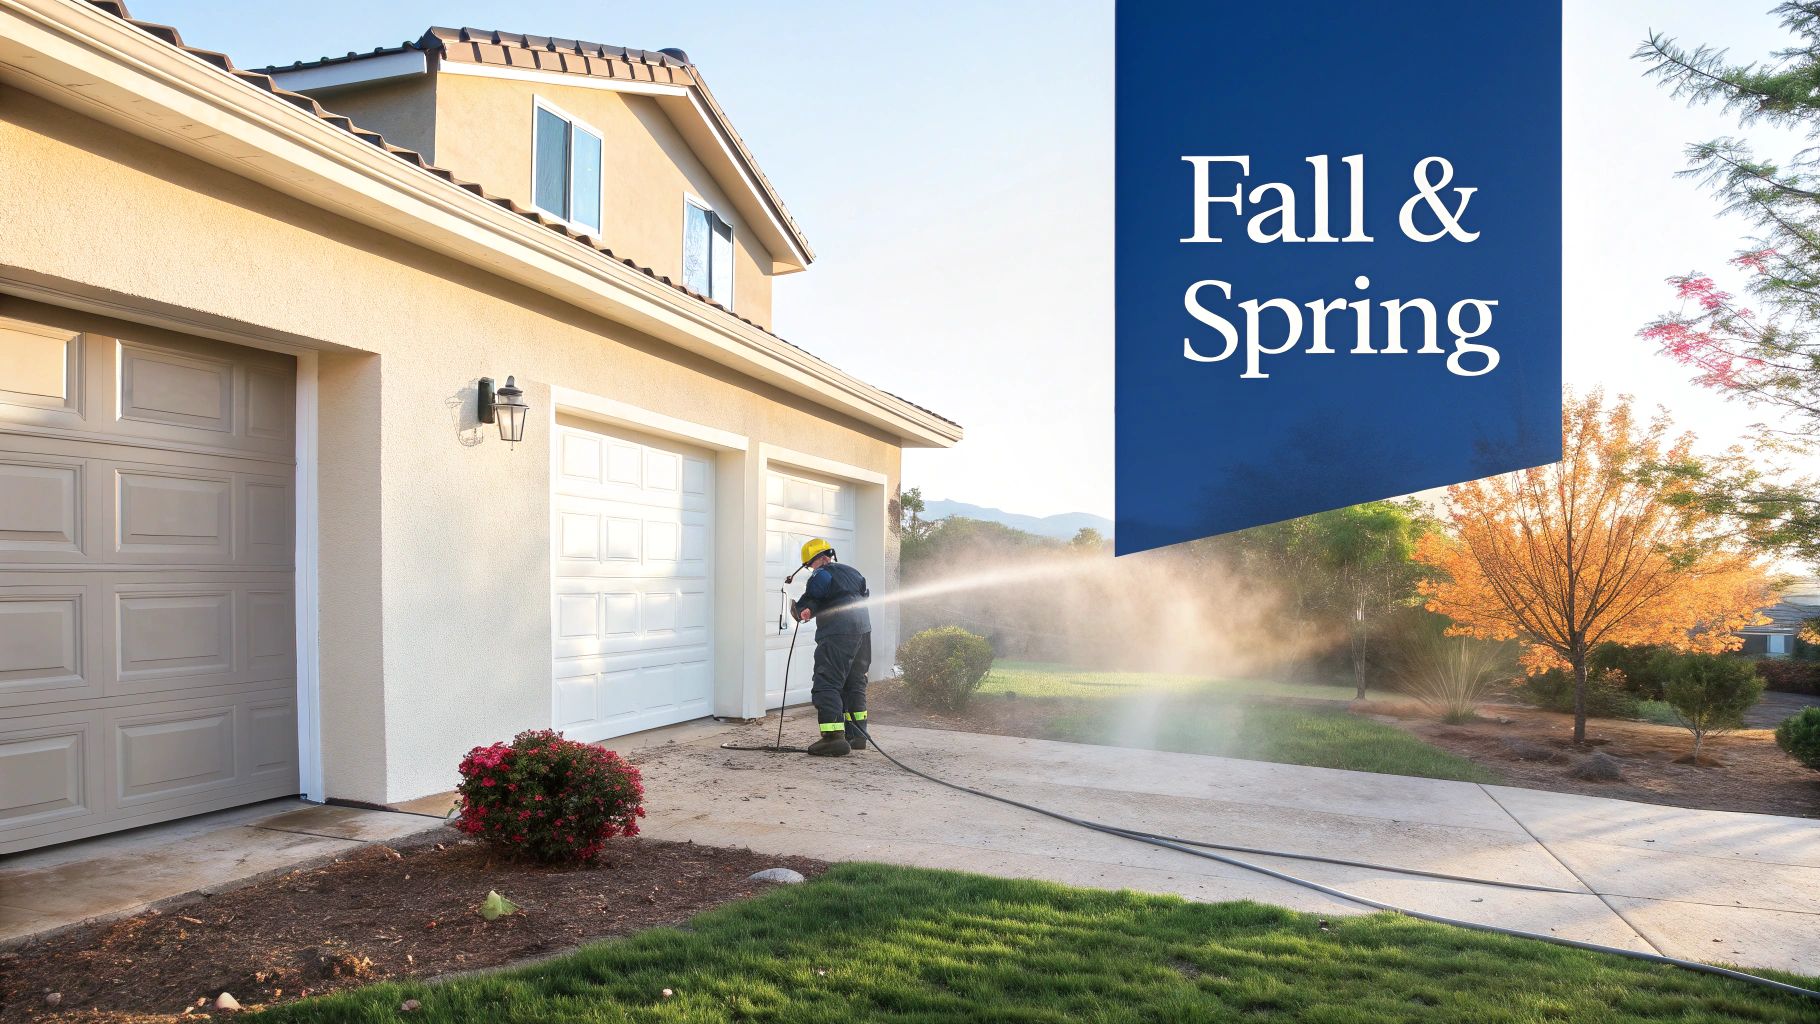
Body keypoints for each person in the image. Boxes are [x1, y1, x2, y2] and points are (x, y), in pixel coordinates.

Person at [792, 538, 871, 756]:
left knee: (826, 682)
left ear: (817, 560)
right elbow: (852, 596)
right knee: (854, 682)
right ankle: (857, 735)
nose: (811, 569)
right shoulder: (852, 572)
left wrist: (802, 609)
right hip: (863, 632)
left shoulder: (821, 574)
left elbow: (812, 597)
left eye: (809, 565)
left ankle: (833, 738)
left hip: (838, 633)